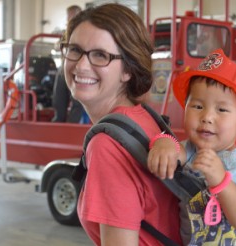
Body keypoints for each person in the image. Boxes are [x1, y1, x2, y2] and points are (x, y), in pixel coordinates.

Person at [61, 3, 182, 245]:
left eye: (100, 55)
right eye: (75, 50)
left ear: (128, 69)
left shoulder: (107, 145)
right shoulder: (144, 117)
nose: (82, 65)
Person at [147, 49, 236, 245]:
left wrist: (222, 182)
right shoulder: (191, 150)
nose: (207, 117)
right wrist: (163, 142)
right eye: (197, 106)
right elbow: (174, 152)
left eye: (222, 109)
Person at [52, 5, 89, 123]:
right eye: (69, 16)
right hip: (64, 67)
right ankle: (58, 120)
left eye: (72, 15)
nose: (70, 18)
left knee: (77, 101)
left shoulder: (87, 30)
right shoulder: (66, 32)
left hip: (79, 69)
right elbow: (57, 46)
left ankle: (72, 126)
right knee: (59, 97)